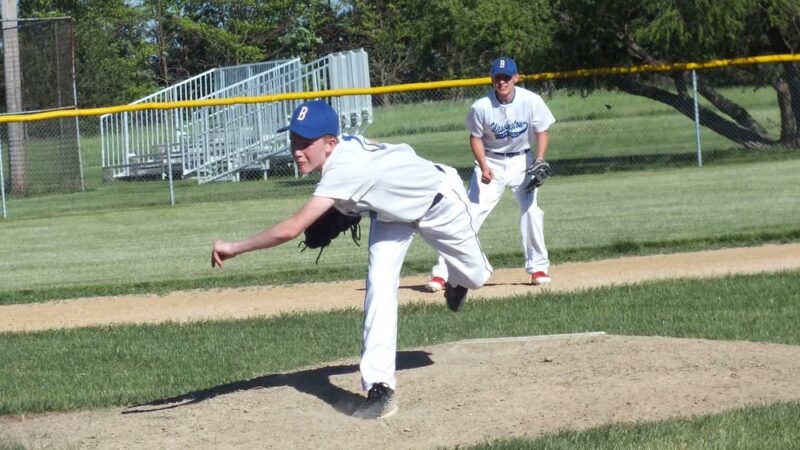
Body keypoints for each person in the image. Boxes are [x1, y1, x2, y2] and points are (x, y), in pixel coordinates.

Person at [211, 100, 493, 420]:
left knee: (477, 276)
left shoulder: (343, 170)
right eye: (294, 141)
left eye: (306, 143)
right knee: (379, 285)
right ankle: (381, 387)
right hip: (390, 216)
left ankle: (457, 280)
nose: (297, 150)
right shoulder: (342, 148)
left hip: (440, 202)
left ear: (330, 143)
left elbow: (291, 229)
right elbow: (374, 146)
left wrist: (235, 247)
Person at [425, 56, 555, 292]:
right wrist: (483, 165)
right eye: (498, 78)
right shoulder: (481, 106)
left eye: (507, 77)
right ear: (492, 79)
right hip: (491, 162)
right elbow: (475, 138)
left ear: (516, 78)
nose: (502, 82)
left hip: (522, 162)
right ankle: (443, 272)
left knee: (531, 211)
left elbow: (542, 130)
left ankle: (538, 267)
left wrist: (540, 159)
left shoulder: (531, 101)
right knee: (469, 215)